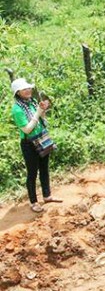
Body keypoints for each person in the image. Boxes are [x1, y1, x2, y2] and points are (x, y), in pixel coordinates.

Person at [10, 78, 61, 212]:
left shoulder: (32, 102)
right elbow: (27, 129)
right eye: (24, 89)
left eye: (29, 88)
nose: (28, 90)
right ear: (18, 92)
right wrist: (38, 113)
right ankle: (33, 202)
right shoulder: (17, 109)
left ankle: (47, 195)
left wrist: (43, 110)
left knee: (44, 168)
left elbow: (42, 120)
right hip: (29, 143)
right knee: (32, 173)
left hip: (41, 138)